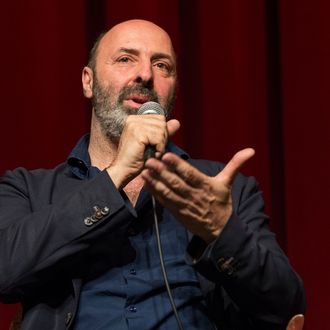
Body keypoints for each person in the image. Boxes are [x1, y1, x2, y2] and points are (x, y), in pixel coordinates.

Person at [0, 19, 304, 330]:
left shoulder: (221, 188)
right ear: (88, 82)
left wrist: (222, 232)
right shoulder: (28, 189)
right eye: (125, 59)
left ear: (173, 89)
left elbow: (285, 307)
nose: (145, 74)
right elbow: (5, 272)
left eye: (162, 65)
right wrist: (118, 173)